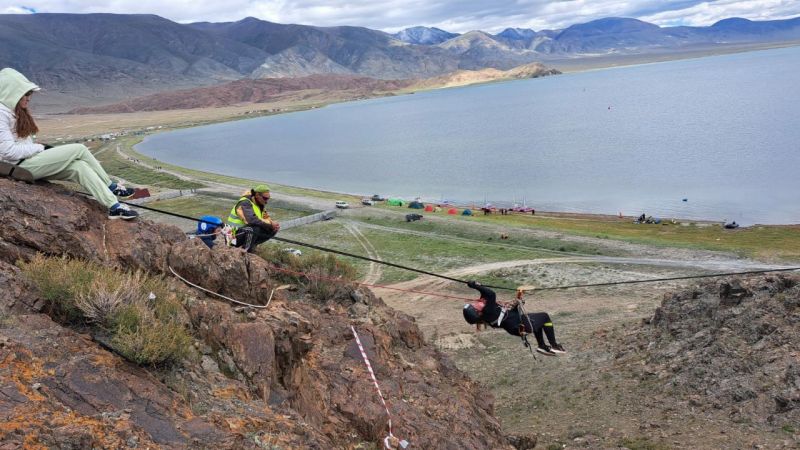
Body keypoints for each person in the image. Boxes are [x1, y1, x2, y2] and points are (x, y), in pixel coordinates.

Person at [0, 68, 138, 220]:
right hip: (19, 166)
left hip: (28, 162)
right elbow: (8, 152)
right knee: (79, 149)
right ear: (11, 93)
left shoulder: (13, 111)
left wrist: (37, 148)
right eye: (25, 94)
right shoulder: (1, 114)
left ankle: (114, 207)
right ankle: (111, 186)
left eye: (30, 93)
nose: (29, 98)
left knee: (79, 167)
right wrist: (39, 148)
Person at [463, 280, 565, 356]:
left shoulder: (486, 312)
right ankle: (554, 345)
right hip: (521, 325)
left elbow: (507, 314)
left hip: (517, 325)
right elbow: (491, 294)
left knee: (538, 322)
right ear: (478, 312)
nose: (475, 303)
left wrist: (517, 300)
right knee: (545, 317)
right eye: (474, 306)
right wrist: (474, 285)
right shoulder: (488, 311)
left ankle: (542, 346)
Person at [226, 184, 280, 253]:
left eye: (268, 199)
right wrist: (270, 225)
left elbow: (266, 218)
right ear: (257, 195)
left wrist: (272, 224)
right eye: (265, 198)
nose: (266, 201)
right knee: (254, 227)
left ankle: (252, 245)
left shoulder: (260, 205)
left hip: (242, 232)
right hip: (232, 235)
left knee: (272, 229)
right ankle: (246, 250)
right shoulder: (245, 203)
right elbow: (251, 221)